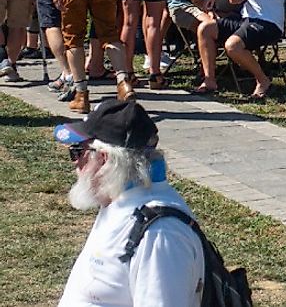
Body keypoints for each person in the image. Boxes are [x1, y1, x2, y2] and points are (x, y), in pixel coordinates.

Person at [54, 100, 205, 306]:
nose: (75, 163)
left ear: (103, 159)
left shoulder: (160, 234)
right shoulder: (120, 203)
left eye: (77, 151)